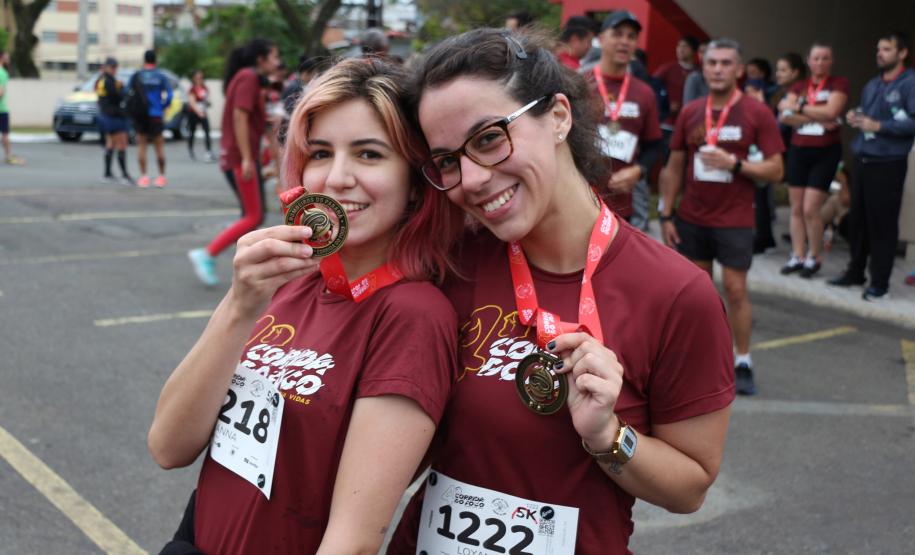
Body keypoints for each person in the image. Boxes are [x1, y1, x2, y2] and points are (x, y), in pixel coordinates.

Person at [388, 28, 735, 553]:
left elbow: (690, 488)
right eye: (447, 161)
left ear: (557, 116)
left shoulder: (676, 292)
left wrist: (607, 436)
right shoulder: (446, 267)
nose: (473, 180)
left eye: (488, 138)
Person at [150, 57, 463, 553]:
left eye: (368, 154)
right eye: (320, 152)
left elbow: (353, 540)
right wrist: (239, 304)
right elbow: (169, 445)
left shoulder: (412, 315)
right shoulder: (290, 281)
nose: (337, 178)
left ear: (415, 181)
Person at [659, 38, 785, 396]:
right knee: (697, 295)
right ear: (704, 67)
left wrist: (737, 164)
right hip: (693, 217)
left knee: (735, 290)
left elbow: (776, 170)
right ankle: (699, 361)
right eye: (712, 62)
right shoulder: (691, 111)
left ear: (739, 70)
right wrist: (666, 212)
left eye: (726, 63)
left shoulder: (756, 113)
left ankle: (742, 359)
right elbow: (675, 164)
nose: (717, 69)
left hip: (734, 219)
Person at [829, 32, 915, 301]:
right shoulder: (872, 85)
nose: (879, 53)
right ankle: (855, 272)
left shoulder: (910, 83)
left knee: (882, 225)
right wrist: (857, 117)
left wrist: (879, 126)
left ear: (902, 53)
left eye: (887, 49)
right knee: (859, 221)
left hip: (888, 163)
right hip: (864, 158)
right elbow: (868, 116)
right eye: (878, 49)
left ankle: (880, 283)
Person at [187, 39, 279, 286]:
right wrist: (248, 158)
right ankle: (207, 254)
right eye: (273, 57)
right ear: (261, 59)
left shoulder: (247, 77)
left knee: (250, 215)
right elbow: (240, 116)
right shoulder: (248, 77)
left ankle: (248, 268)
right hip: (240, 158)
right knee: (253, 215)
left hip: (240, 157)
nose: (277, 62)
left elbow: (246, 118)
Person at [778, 43, 848, 278]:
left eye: (825, 58)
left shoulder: (838, 83)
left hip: (825, 151)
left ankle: (814, 256)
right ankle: (797, 254)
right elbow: (784, 115)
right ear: (808, 61)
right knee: (796, 207)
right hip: (799, 149)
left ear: (831, 61)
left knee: (811, 208)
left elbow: (832, 112)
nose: (820, 62)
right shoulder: (800, 86)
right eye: (816, 58)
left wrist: (800, 108)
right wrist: (816, 114)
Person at [585, 11, 662, 223]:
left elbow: (654, 145)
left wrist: (638, 171)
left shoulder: (644, 92)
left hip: (622, 204)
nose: (624, 42)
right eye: (617, 34)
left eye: (631, 36)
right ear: (601, 40)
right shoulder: (579, 84)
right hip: (580, 199)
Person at [128, 49, 173, 188]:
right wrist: (162, 106)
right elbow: (170, 94)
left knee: (142, 146)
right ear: (155, 60)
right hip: (156, 115)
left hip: (141, 115)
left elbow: (126, 91)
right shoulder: (161, 76)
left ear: (144, 60)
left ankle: (144, 177)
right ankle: (161, 177)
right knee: (159, 147)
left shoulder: (137, 75)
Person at [95, 57, 132, 185]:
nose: (114, 70)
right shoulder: (109, 81)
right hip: (114, 116)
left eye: (115, 67)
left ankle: (107, 174)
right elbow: (118, 97)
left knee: (110, 144)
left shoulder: (101, 80)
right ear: (106, 67)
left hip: (106, 115)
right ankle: (124, 175)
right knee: (122, 143)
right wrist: (122, 89)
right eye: (112, 67)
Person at [653, 35, 700, 134]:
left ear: (694, 50)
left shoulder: (699, 73)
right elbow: (651, 88)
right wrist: (665, 105)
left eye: (685, 46)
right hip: (667, 124)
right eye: (679, 46)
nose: (680, 49)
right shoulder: (667, 69)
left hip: (691, 125)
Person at [0, 49, 24, 166]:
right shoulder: (2, 73)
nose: (8, 58)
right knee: (5, 134)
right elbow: (1, 93)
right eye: (7, 56)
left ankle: (8, 156)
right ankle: (8, 156)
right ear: (2, 58)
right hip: (2, 110)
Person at [186, 69, 213, 162]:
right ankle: (191, 151)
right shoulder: (192, 89)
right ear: (193, 78)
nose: (199, 79)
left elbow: (206, 100)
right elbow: (192, 102)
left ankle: (208, 152)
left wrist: (208, 103)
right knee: (192, 132)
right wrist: (199, 112)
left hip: (203, 112)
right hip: (194, 113)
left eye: (201, 77)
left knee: (207, 131)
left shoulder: (205, 88)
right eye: (197, 77)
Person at [682, 40, 710, 105]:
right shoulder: (694, 78)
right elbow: (688, 106)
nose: (702, 54)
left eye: (705, 51)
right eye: (700, 51)